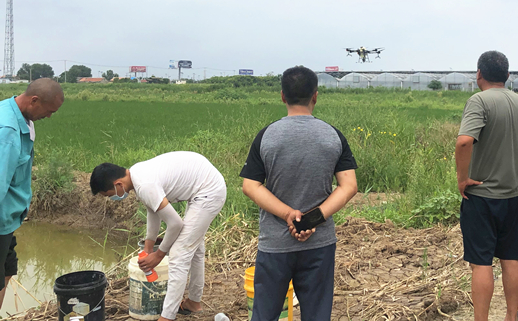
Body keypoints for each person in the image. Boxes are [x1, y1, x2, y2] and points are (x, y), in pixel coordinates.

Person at [240, 65, 358, 321]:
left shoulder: (267, 136)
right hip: (319, 244)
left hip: (275, 244)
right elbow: (349, 186)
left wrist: (287, 215)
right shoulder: (333, 136)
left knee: (264, 315)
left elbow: (250, 185)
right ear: (315, 96)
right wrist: (311, 219)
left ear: (282, 96)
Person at [455, 51, 518, 321]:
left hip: (482, 196)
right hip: (513, 196)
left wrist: (462, 179)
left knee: (481, 263)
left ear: (479, 74)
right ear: (507, 76)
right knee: (510, 258)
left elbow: (464, 141)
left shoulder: (479, 101)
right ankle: (510, 316)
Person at [90, 152, 227, 321]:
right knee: (194, 248)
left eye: (109, 194)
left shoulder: (144, 185)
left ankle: (167, 317)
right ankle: (193, 302)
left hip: (209, 191)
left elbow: (175, 224)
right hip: (203, 186)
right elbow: (153, 210)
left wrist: (159, 255)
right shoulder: (136, 174)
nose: (112, 198)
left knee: (179, 254)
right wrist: (148, 248)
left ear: (118, 184)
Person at [0, 78, 64, 312]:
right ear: (34, 100)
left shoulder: (17, 114)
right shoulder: (7, 131)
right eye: (49, 111)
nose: (49, 116)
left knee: (7, 269)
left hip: (7, 219)